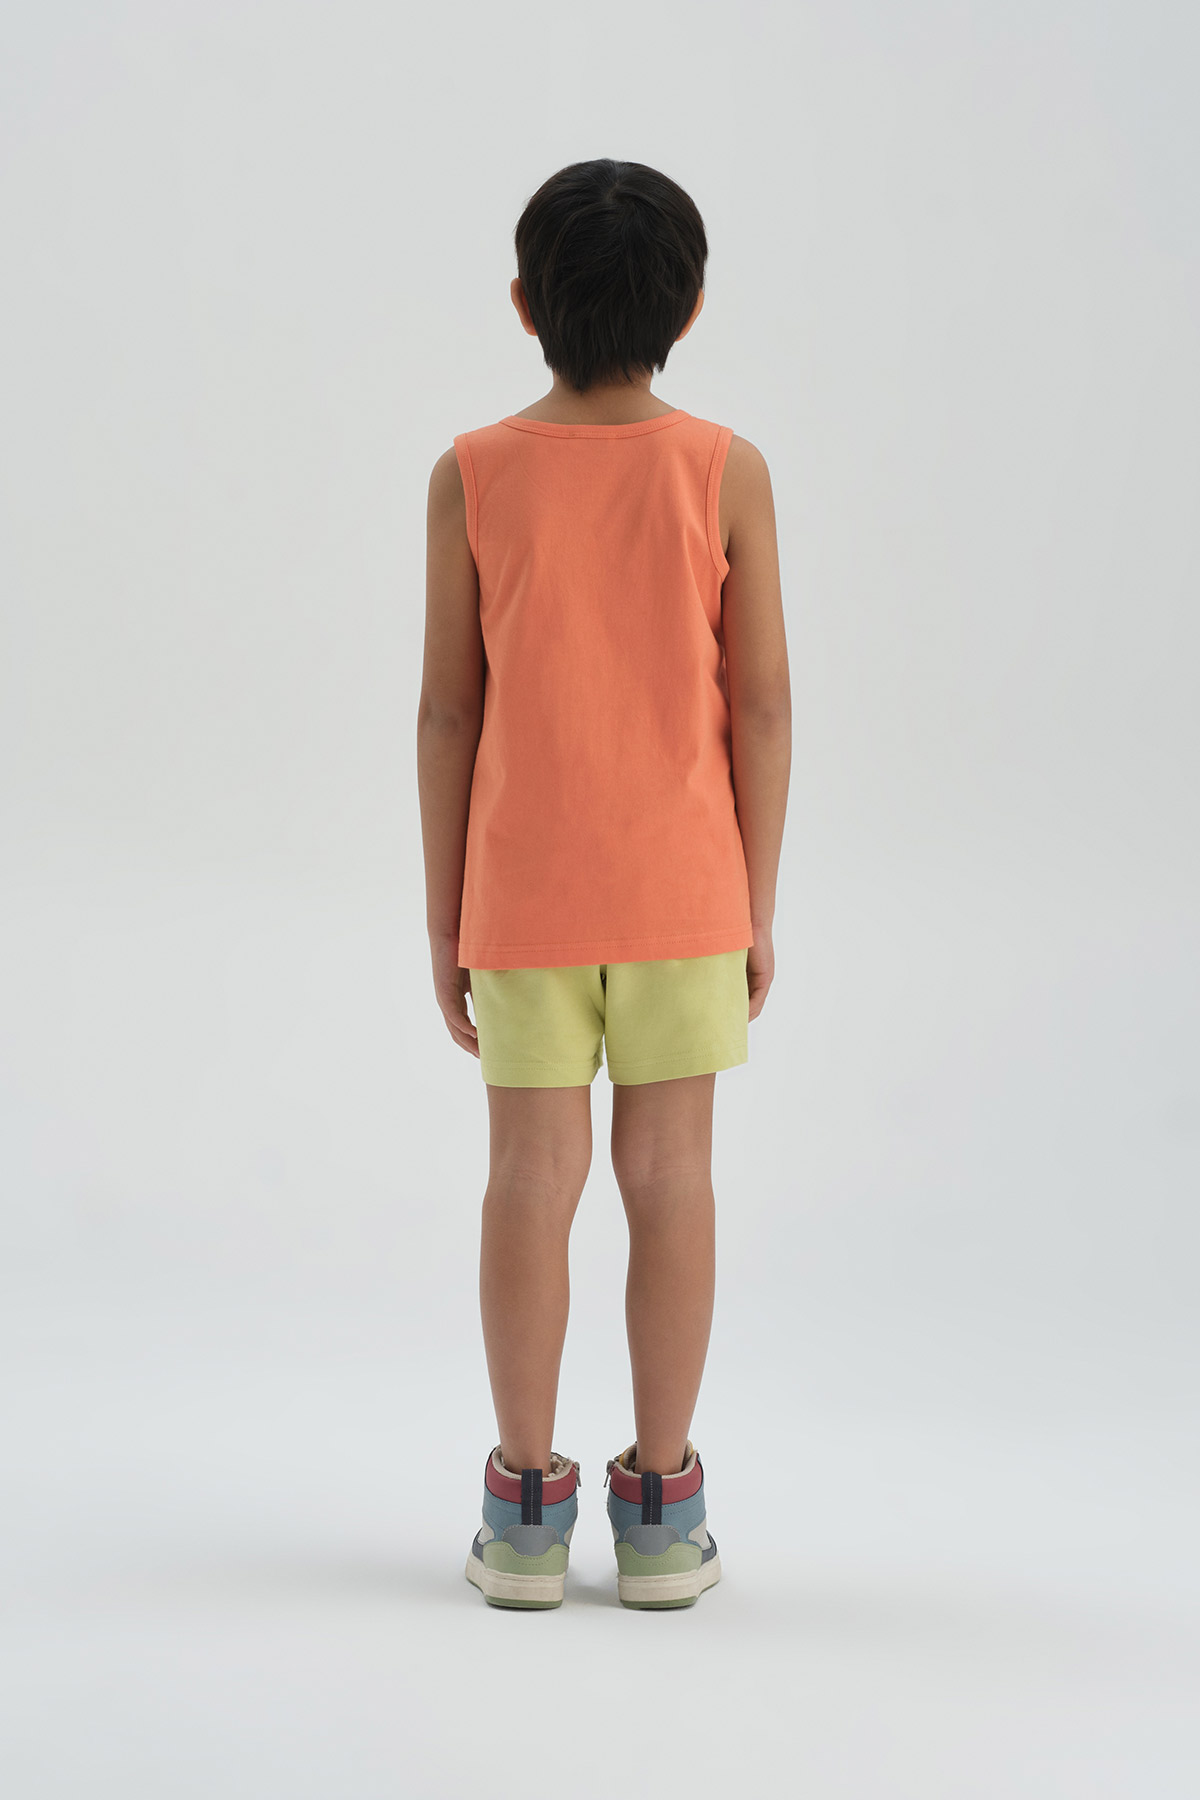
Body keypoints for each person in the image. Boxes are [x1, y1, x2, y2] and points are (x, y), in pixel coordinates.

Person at [417, 158, 790, 1610]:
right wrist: (757, 903)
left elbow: (450, 711)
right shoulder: (726, 469)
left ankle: (522, 1519)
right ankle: (661, 1515)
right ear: (689, 308)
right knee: (672, 1178)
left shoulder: (472, 472)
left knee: (529, 1178)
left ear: (524, 304)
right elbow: (761, 705)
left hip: (522, 897)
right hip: (687, 890)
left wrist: (446, 916)